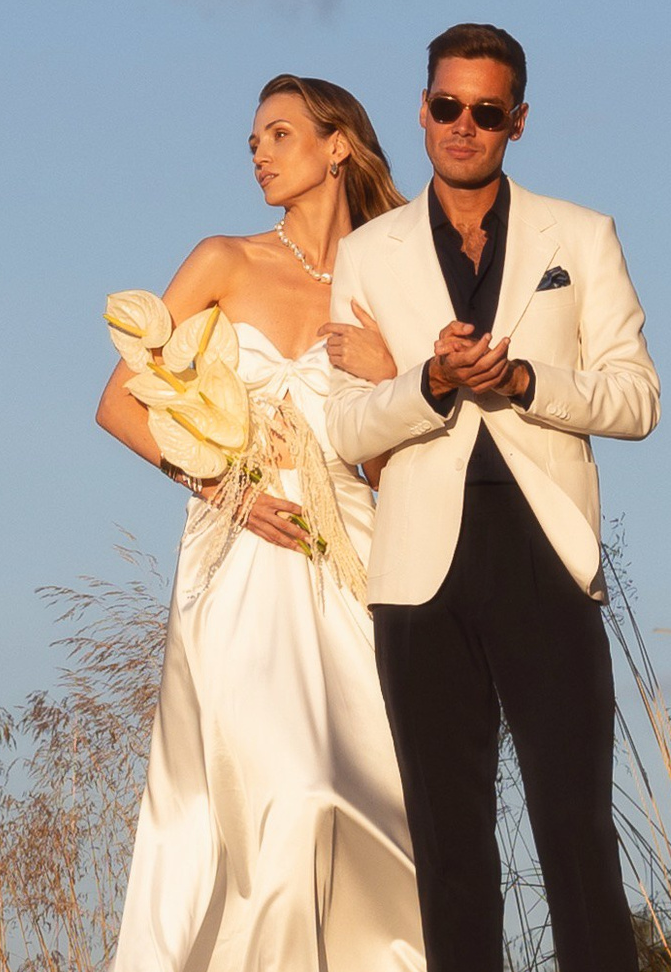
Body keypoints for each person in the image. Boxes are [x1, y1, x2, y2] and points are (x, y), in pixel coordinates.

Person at [322, 23, 660, 972]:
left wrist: (524, 385)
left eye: (485, 111)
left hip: (544, 552)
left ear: (518, 122)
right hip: (419, 569)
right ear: (421, 109)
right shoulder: (369, 252)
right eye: (445, 106)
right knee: (449, 843)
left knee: (575, 829)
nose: (462, 126)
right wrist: (428, 382)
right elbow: (344, 430)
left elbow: (637, 398)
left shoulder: (581, 234)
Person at [96, 75, 426, 972]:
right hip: (241, 552)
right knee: (290, 798)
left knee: (373, 798)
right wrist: (226, 492)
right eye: (253, 141)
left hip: (352, 557)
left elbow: (385, 465)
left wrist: (395, 373)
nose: (259, 153)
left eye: (279, 135)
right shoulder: (224, 259)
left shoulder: (385, 279)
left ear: (337, 147)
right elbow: (121, 403)